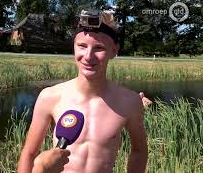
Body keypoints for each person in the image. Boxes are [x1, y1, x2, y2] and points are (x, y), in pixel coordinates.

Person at [18, 10, 148, 173]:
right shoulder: (50, 97)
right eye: (82, 46)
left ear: (114, 51)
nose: (88, 56)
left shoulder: (130, 101)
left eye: (99, 48)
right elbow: (29, 153)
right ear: (73, 47)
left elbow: (139, 151)